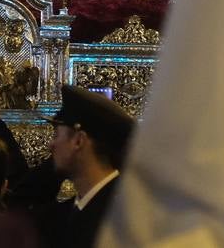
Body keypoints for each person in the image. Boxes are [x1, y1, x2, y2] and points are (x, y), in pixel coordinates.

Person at [9, 84, 133, 248]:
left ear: (78, 141)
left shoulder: (123, 218)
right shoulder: (67, 213)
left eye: (57, 135)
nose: (51, 145)